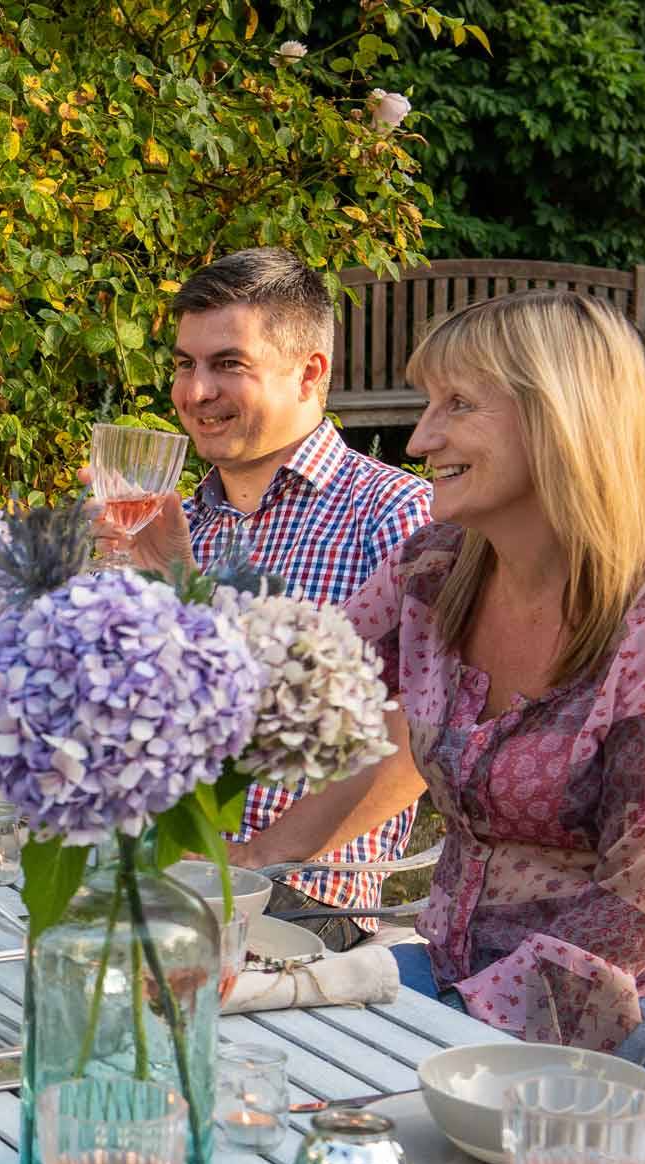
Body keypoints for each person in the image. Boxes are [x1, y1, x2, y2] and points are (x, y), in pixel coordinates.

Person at [240, 290, 645, 1121]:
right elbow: (286, 692)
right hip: (454, 979)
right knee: (246, 1083)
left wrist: (445, 1040)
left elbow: (636, 905)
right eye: (427, 404)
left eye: (457, 405)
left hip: (641, 1014)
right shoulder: (438, 567)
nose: (420, 438)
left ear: (558, 419)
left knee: (405, 1154)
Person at [134, 248, 433, 948]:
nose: (196, 391)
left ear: (309, 372)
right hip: (155, 875)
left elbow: (423, 738)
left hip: (298, 904)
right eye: (185, 364)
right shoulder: (178, 525)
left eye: (228, 364)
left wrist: (260, 858)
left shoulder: (393, 516)